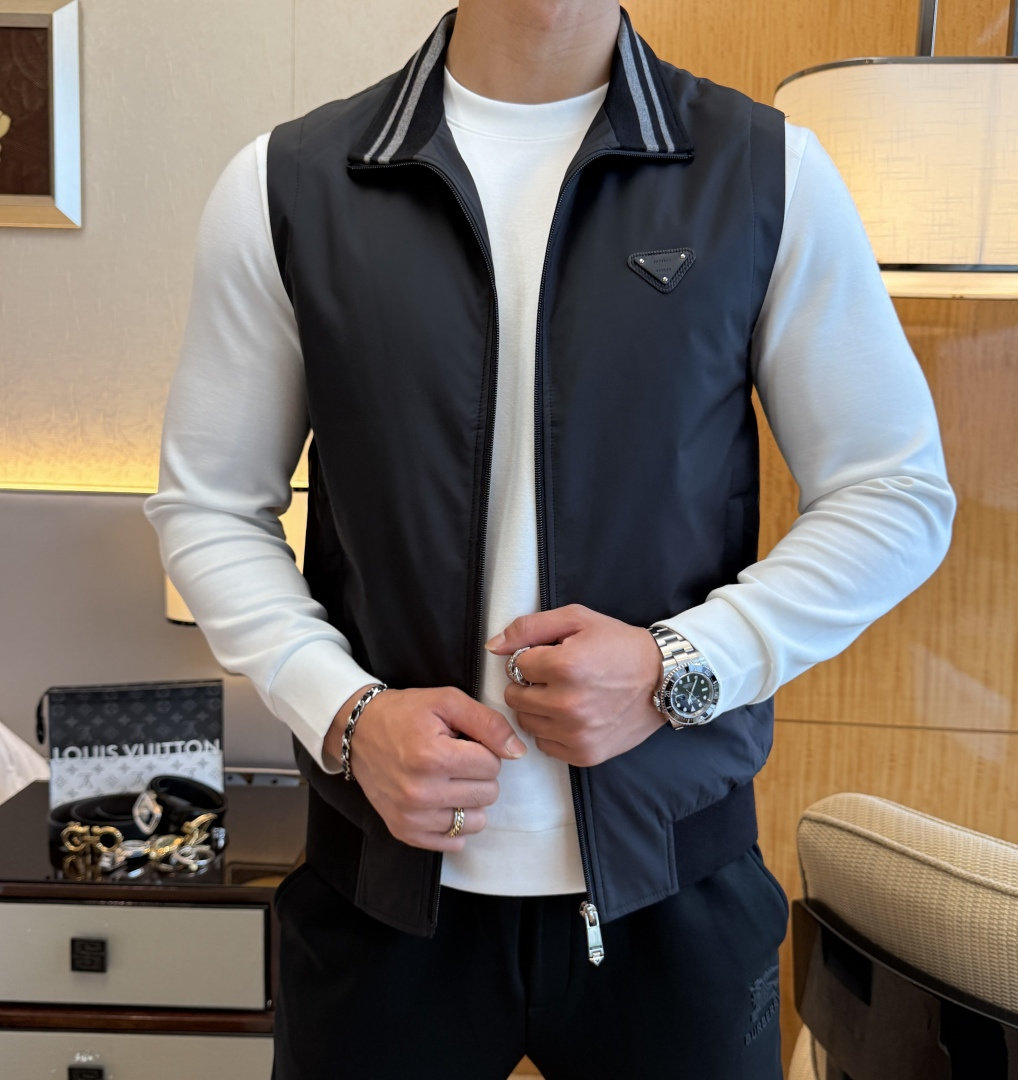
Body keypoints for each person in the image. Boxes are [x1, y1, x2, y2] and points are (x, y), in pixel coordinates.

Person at [145, 1, 956, 1076]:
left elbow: (894, 495)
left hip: (676, 891)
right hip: (379, 890)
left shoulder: (767, 174)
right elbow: (210, 507)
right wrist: (345, 714)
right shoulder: (288, 186)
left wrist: (675, 668)